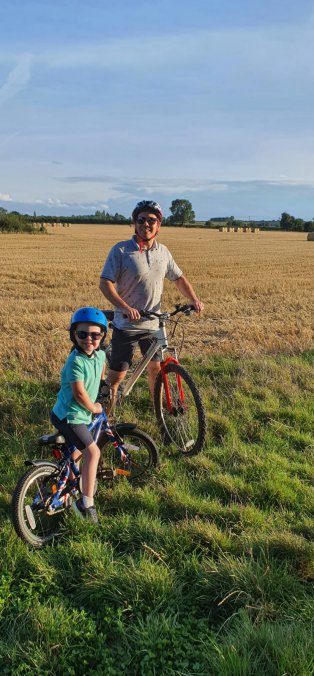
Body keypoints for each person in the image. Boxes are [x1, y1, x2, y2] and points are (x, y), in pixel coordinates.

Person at [99, 199, 204, 411]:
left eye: (152, 220)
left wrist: (193, 299)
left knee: (156, 370)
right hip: (127, 324)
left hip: (153, 324)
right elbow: (105, 284)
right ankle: (105, 418)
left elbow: (178, 278)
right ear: (134, 223)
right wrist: (125, 308)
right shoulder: (120, 251)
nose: (146, 224)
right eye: (141, 219)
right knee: (117, 375)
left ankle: (162, 412)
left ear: (159, 225)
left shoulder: (163, 252)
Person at [50, 306, 108, 523]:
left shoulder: (100, 354)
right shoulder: (75, 361)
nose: (89, 339)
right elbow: (79, 393)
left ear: (102, 336)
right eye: (82, 334)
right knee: (93, 453)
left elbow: (101, 365)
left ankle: (68, 480)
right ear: (74, 335)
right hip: (71, 416)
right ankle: (86, 503)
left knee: (77, 450)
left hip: (74, 414)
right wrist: (94, 408)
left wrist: (103, 385)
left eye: (95, 335)